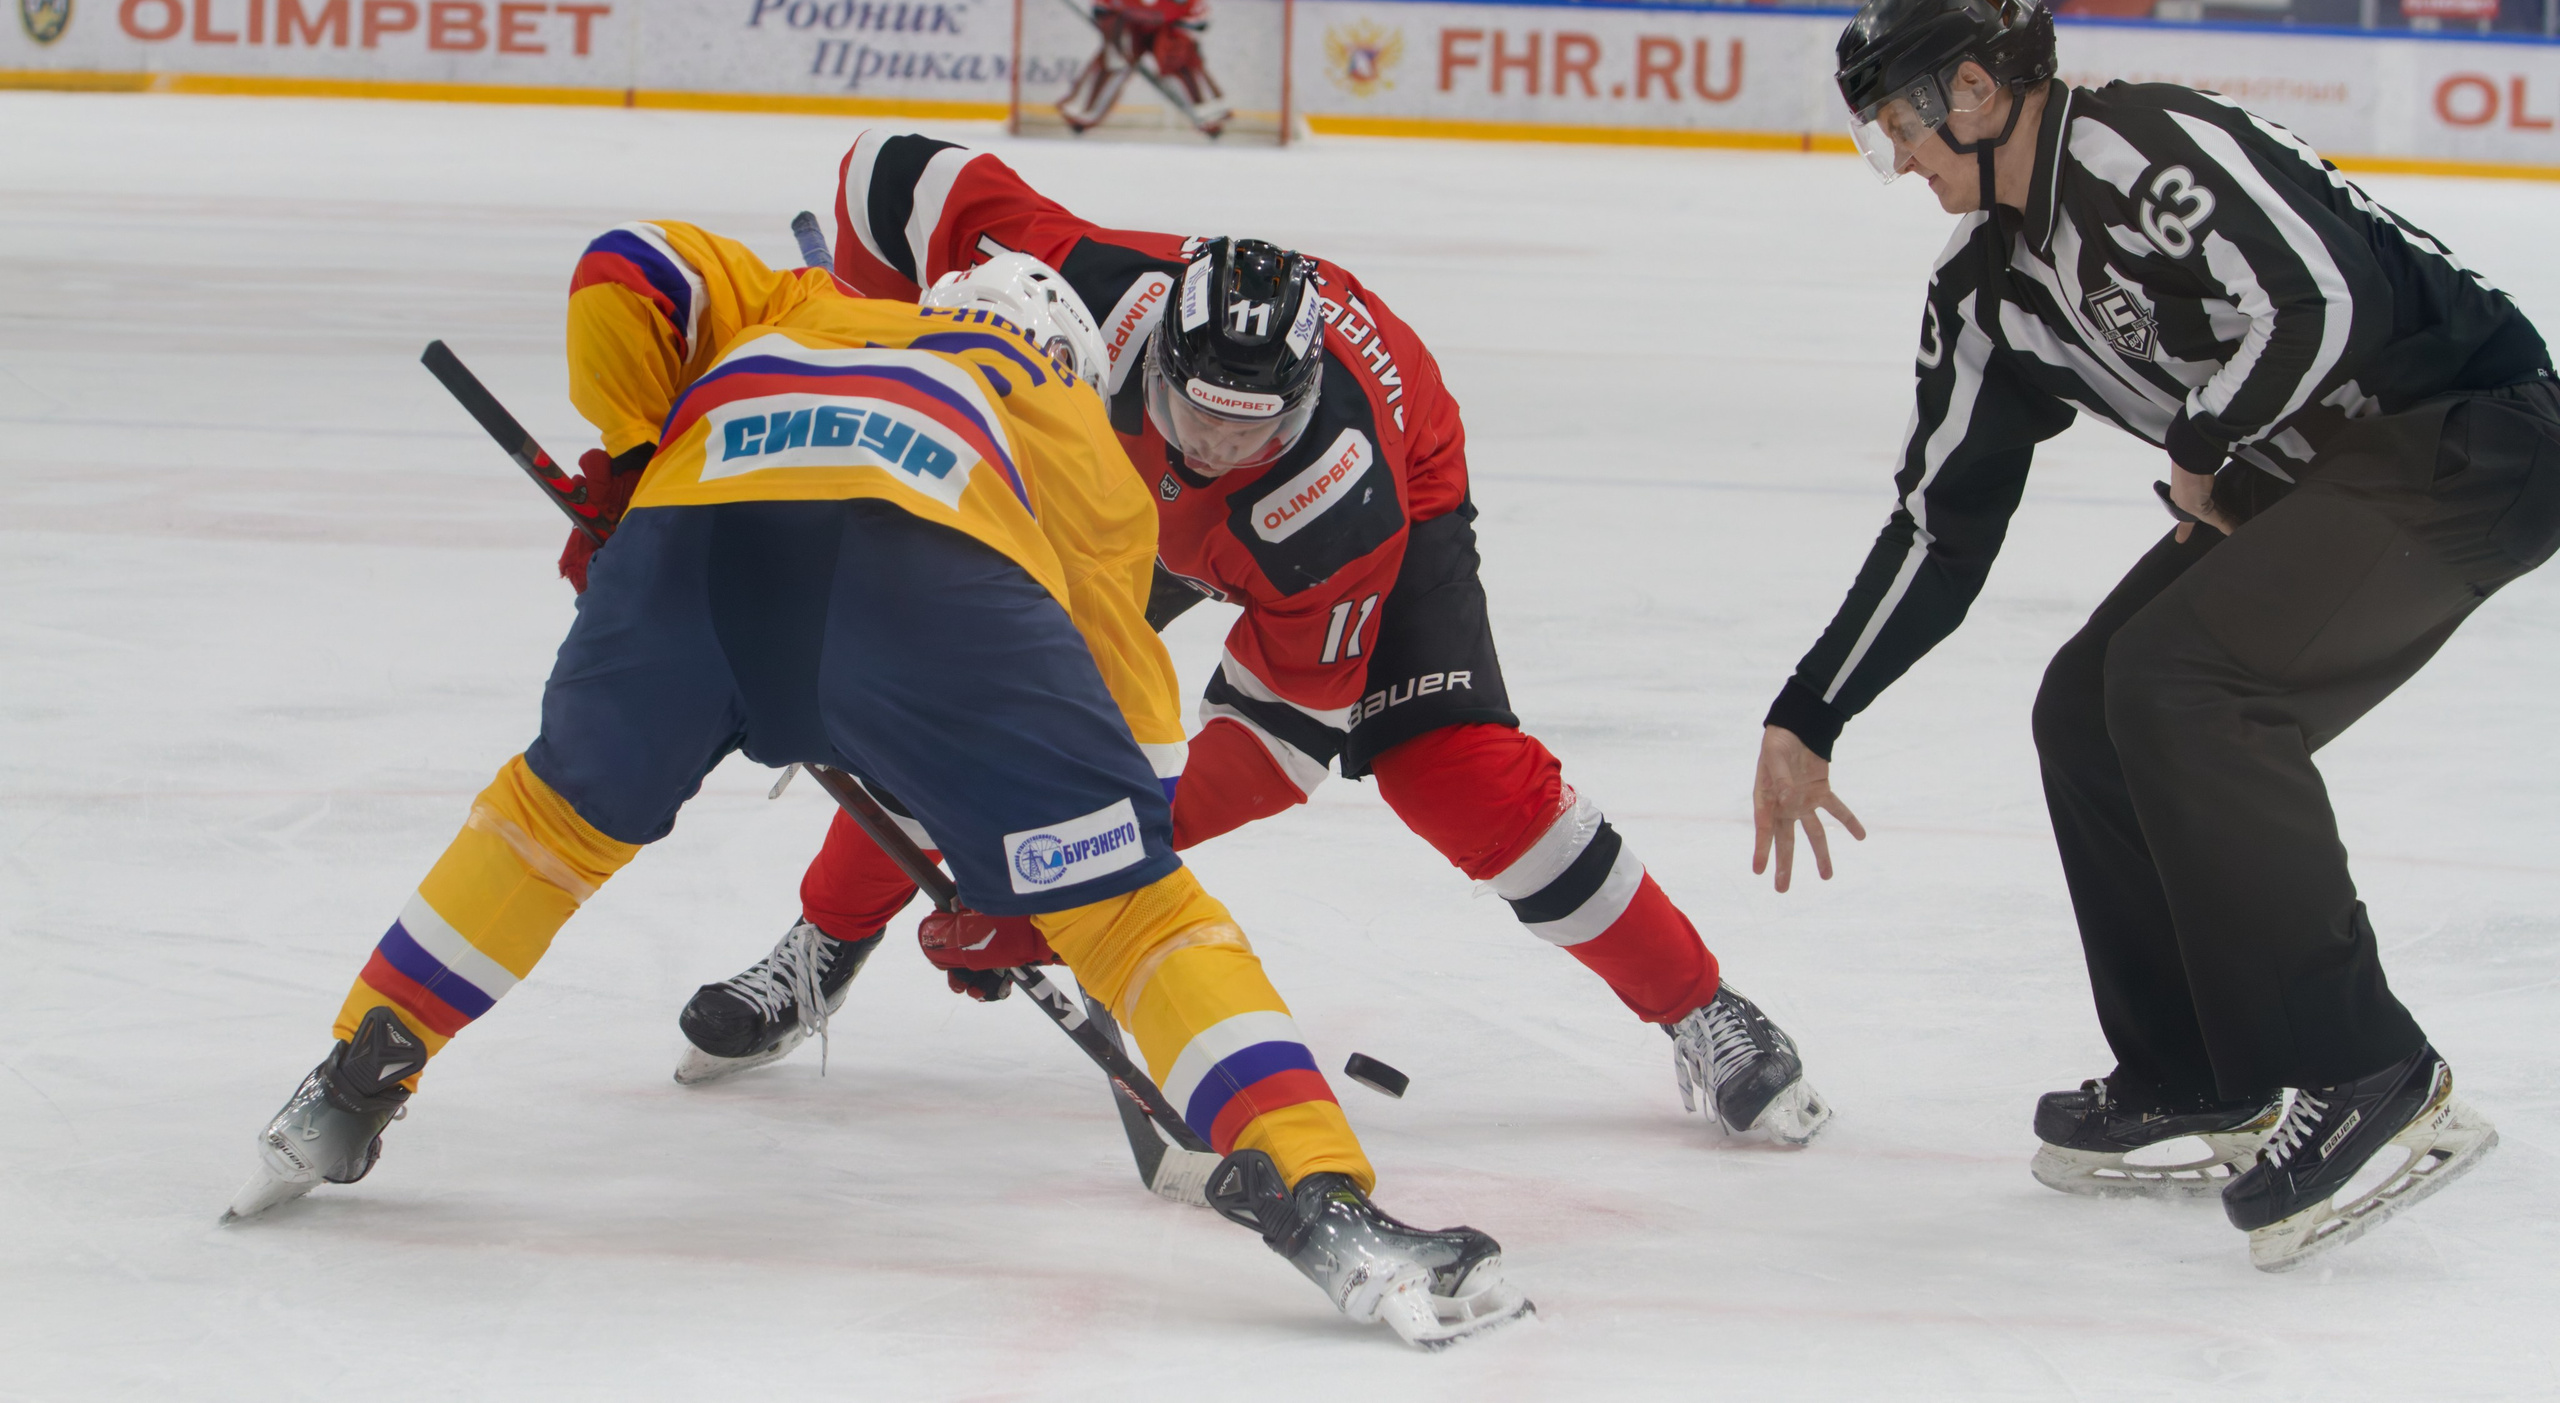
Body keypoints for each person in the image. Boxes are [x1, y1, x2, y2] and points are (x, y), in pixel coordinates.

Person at [222, 220, 1526, 1349]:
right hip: (930, 580)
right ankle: (1324, 1195)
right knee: (1143, 915)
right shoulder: (1066, 420)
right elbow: (1141, 755)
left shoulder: (804, 306)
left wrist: (630, 454)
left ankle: (353, 1076)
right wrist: (1039, 890)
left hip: (689, 553)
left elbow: (627, 267)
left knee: (546, 828)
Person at [677, 133, 1836, 1150]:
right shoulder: (1082, 292)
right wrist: (867, 344)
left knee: (1453, 769)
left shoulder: (1335, 501)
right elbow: (888, 176)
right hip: (1106, 494)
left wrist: (1061, 880)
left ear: (1302, 401)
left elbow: (1274, 750)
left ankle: (1702, 1006)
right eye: (1194, 414)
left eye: (1251, 430)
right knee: (947, 682)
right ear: (1155, 359)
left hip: (1380, 486)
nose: (1214, 450)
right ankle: (824, 943)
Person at [1751, 0, 2542, 1271]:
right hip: (2313, 483)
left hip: (2471, 432)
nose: (1898, 158)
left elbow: (2326, 298)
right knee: (2088, 704)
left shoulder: (2138, 145)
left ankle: (2368, 1070)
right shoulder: (1983, 293)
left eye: (1900, 121)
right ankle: (2198, 1074)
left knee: (2185, 680)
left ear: (1973, 87)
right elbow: (1941, 526)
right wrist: (1809, 710)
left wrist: (2200, 444)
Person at [1057, 0, 1232, 136]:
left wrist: (1176, 44)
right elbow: (1101, 10)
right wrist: (1113, 36)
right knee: (1114, 60)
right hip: (1131, 27)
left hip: (1169, 29)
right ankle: (1084, 111)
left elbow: (1201, 22)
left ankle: (1210, 114)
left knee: (1179, 61)